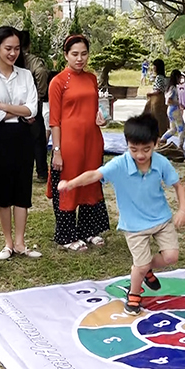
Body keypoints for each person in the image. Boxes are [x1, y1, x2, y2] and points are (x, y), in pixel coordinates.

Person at [58, 113, 185, 315]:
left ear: (156, 143)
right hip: (134, 225)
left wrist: (182, 209)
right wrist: (71, 183)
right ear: (126, 144)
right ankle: (134, 295)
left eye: (146, 149)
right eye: (134, 149)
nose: (140, 155)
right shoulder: (119, 164)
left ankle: (144, 270)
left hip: (161, 219)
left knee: (171, 257)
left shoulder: (161, 162)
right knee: (141, 264)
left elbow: (178, 185)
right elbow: (94, 175)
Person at [0, 26, 42, 261]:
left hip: (24, 136)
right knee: (3, 187)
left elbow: (32, 108)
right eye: (8, 48)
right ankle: (7, 243)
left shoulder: (25, 75)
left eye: (16, 48)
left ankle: (20, 242)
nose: (13, 53)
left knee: (22, 187)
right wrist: (17, 111)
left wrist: (4, 106)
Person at [46, 34, 110, 252]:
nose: (80, 58)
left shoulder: (92, 78)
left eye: (84, 54)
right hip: (69, 143)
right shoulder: (58, 81)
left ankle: (88, 230)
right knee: (70, 185)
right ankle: (66, 235)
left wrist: (100, 117)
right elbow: (54, 120)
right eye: (75, 54)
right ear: (66, 55)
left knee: (91, 183)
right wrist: (57, 150)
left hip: (92, 139)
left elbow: (93, 107)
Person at [21, 31, 50, 183]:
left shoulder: (16, 60)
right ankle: (41, 172)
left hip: (22, 104)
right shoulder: (33, 61)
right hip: (32, 104)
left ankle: (36, 172)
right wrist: (40, 94)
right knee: (37, 140)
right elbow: (41, 72)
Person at [159, 69, 185, 150]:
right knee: (181, 128)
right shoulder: (173, 88)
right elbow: (169, 100)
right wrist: (177, 103)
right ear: (176, 77)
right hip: (174, 110)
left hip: (170, 110)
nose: (180, 80)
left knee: (173, 129)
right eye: (179, 78)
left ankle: (162, 140)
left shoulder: (168, 88)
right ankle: (180, 146)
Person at [144, 58, 169, 136]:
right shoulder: (163, 77)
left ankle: (158, 135)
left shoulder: (159, 77)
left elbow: (158, 90)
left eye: (154, 66)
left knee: (156, 117)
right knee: (160, 117)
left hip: (157, 99)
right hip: (160, 99)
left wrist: (149, 93)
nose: (153, 68)